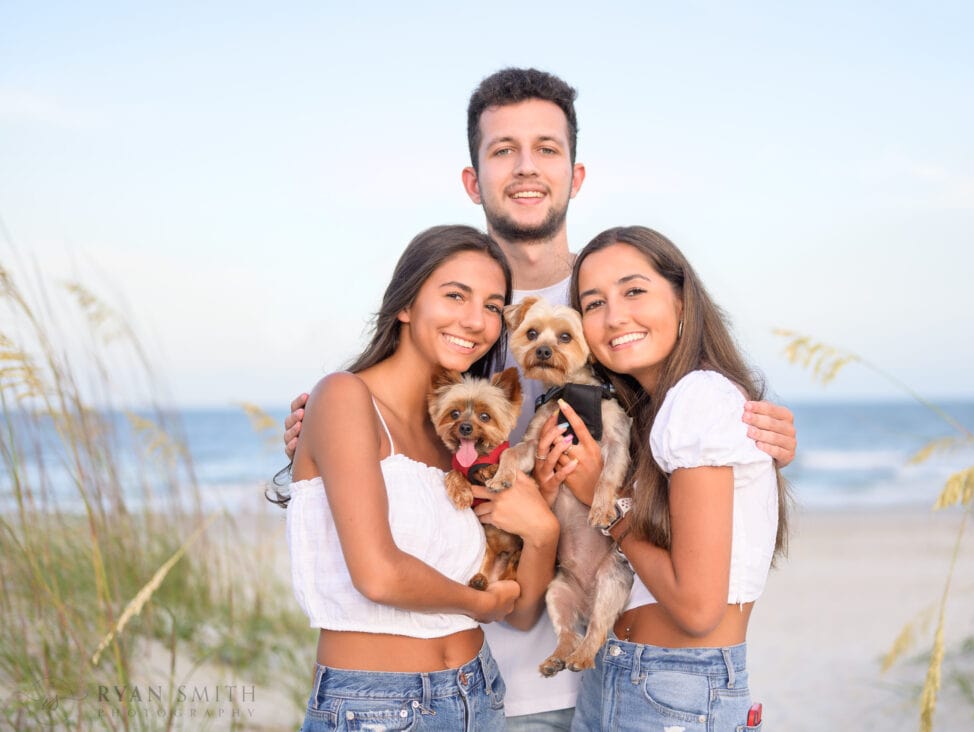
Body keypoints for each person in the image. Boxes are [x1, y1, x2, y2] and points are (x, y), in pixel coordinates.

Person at [283, 68, 799, 731]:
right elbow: (386, 449)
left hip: (606, 670)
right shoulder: (456, 317)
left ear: (575, 175)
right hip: (479, 677)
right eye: (503, 150)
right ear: (474, 180)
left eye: (547, 148)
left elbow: (693, 437)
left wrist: (761, 437)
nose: (526, 168)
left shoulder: (617, 306)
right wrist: (320, 435)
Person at [271, 225, 562, 731]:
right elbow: (378, 574)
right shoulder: (343, 398)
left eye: (493, 306)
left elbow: (519, 612)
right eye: (455, 295)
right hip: (377, 706)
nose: (476, 321)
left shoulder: (458, 440)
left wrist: (543, 532)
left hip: (482, 693)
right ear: (405, 305)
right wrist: (479, 602)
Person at [560, 225, 788, 731]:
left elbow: (697, 609)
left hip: (673, 691)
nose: (614, 316)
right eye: (593, 303)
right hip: (622, 677)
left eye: (634, 291)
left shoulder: (699, 397)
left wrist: (605, 500)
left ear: (682, 300)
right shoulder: (653, 410)